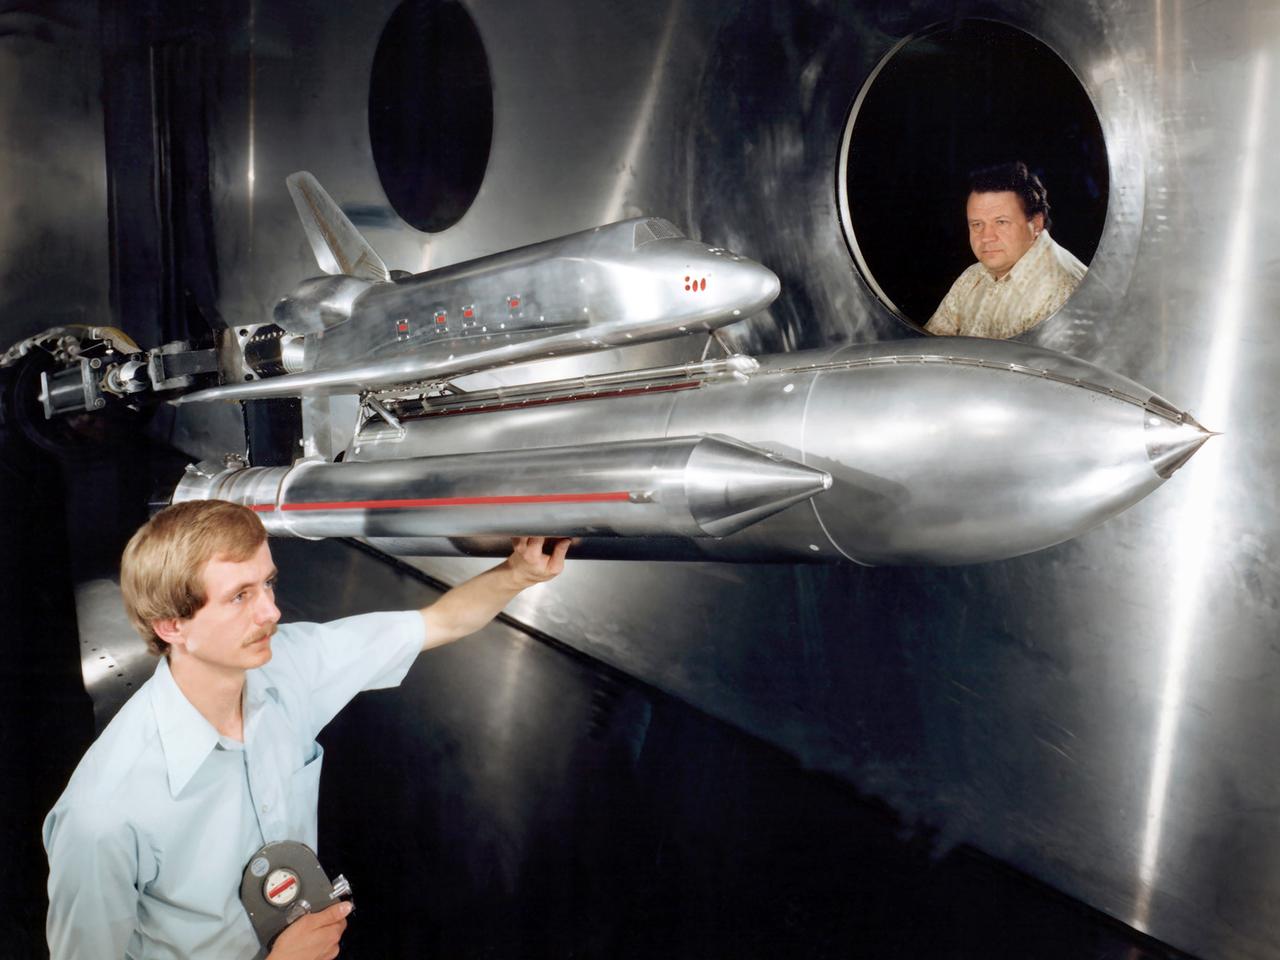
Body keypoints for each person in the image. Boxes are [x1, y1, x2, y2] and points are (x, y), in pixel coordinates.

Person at [43, 499, 571, 959]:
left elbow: (438, 623)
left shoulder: (287, 664)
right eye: (239, 596)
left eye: (267, 583)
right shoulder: (104, 814)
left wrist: (520, 573)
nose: (271, 612)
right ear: (172, 626)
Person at [925, 161, 1087, 339]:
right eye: (977, 224)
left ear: (1036, 223)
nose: (986, 237)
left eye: (1001, 222)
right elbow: (929, 347)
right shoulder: (973, 277)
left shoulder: (1060, 290)